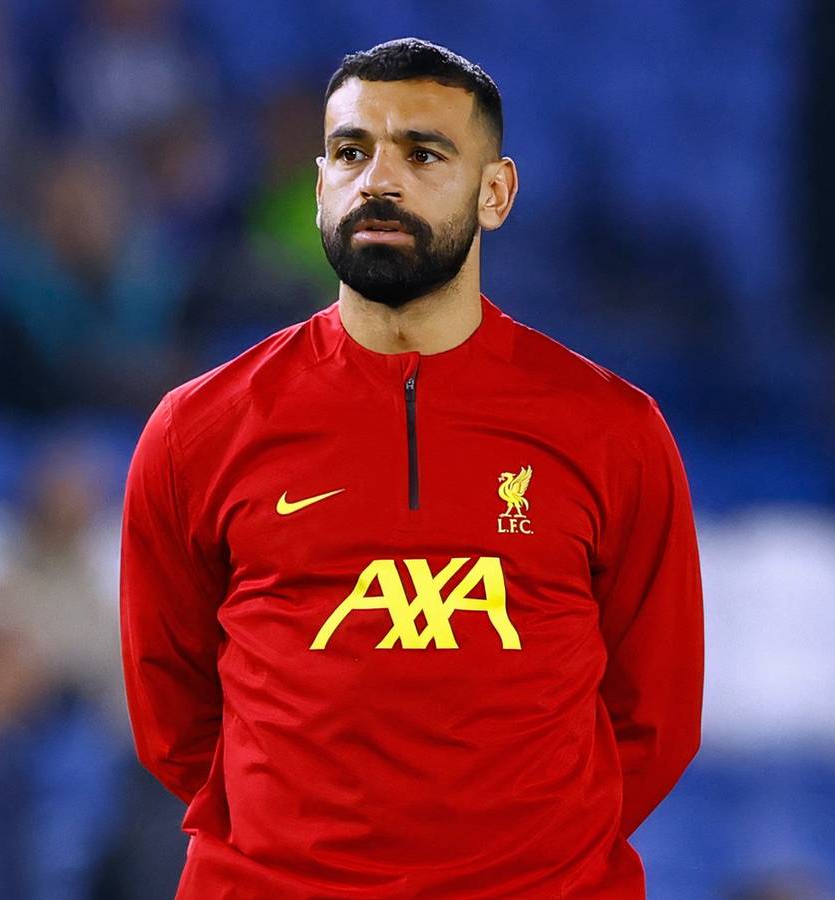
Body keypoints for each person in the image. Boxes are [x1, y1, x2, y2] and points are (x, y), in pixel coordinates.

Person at [119, 37, 704, 897]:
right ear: (319, 186)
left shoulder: (613, 431)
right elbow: (171, 717)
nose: (378, 182)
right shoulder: (197, 430)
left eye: (423, 154)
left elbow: (656, 718)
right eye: (352, 153)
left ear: (495, 192)